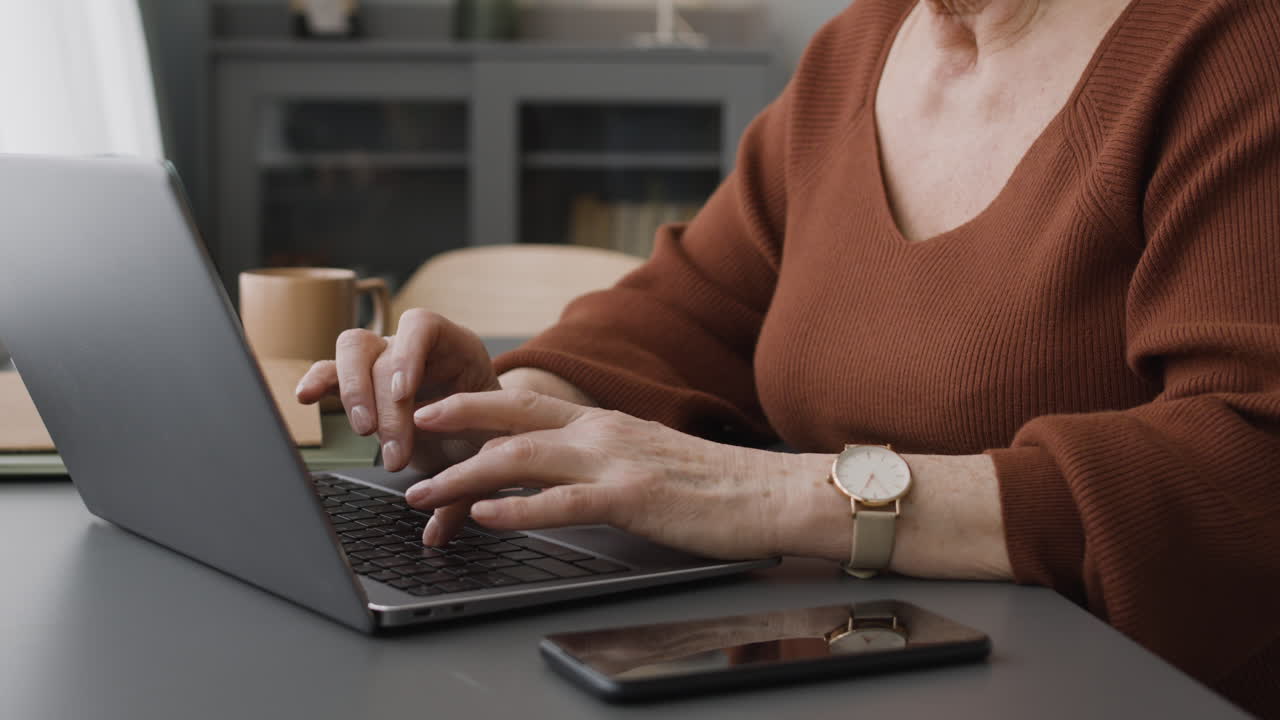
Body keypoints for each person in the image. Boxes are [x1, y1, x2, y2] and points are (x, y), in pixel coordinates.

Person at [296, 0, 1280, 714]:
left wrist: (768, 497)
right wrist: (507, 408)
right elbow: (689, 306)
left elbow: (1247, 466)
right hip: (854, 667)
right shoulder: (857, 49)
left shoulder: (1235, 46)